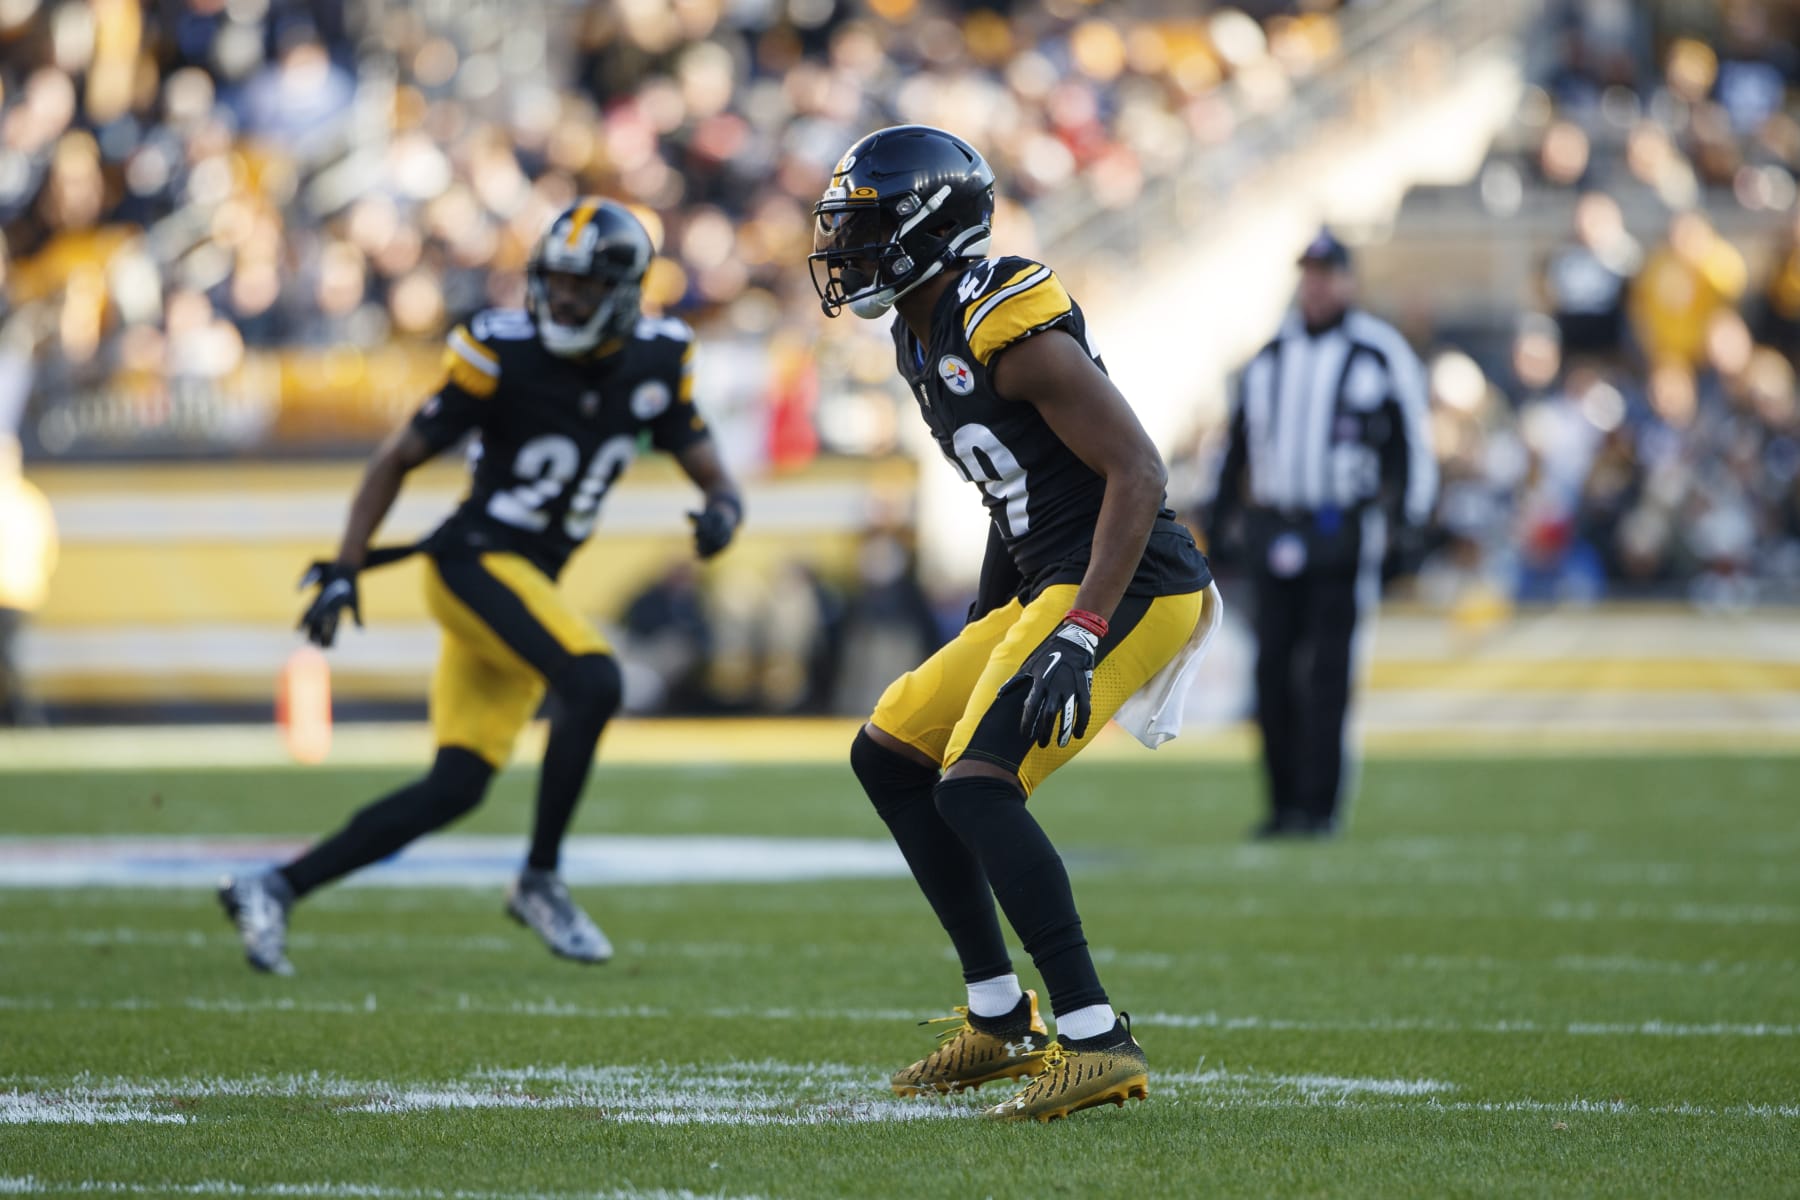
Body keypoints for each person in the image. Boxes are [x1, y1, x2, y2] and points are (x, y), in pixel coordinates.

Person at [218, 199, 744, 975]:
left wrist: (724, 510)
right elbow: (398, 456)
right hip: (470, 564)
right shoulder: (502, 351)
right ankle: (540, 878)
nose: (562, 299)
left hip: (523, 581)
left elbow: (705, 462)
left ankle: (275, 886)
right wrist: (347, 564)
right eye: (555, 281)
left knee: (456, 786)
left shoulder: (659, 359)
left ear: (626, 291)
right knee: (595, 678)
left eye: (583, 286)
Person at [810, 125, 1217, 1122]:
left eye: (863, 229)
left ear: (922, 227)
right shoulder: (920, 325)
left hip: (1130, 585)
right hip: (1052, 579)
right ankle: (1000, 1021)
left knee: (980, 787)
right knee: (893, 755)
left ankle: (1095, 1038)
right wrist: (994, 623)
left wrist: (1078, 630)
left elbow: (1139, 471)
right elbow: (1016, 496)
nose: (845, 251)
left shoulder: (1005, 316)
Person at [1208, 229, 1437, 839]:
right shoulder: (1269, 356)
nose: (1315, 284)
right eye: (1307, 272)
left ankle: (1320, 807)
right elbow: (1235, 446)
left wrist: (1408, 524)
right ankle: (1282, 804)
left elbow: (1412, 444)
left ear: (1349, 280)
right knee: (1272, 673)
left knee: (1329, 675)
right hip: (1275, 524)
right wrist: (1221, 515)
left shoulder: (1378, 352)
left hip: (1342, 529)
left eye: (1326, 272)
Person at [0, 433, 57, 726]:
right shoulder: (29, 498)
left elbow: (46, 546)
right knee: (10, 658)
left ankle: (25, 717)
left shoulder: (26, 499)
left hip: (16, 592)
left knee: (11, 658)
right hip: (22, 589)